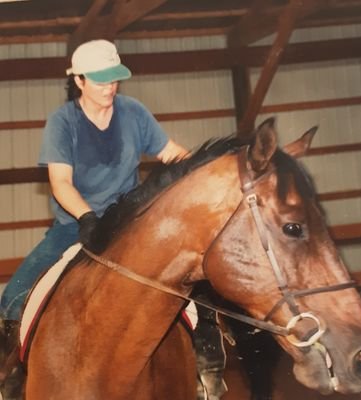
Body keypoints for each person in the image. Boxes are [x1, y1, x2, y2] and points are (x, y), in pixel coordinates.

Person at [0, 39, 225, 399]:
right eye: (101, 80)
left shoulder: (133, 112)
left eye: (114, 79)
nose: (110, 87)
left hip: (128, 224)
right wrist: (87, 217)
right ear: (80, 81)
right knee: (13, 296)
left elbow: (169, 152)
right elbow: (60, 183)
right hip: (75, 226)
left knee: (193, 284)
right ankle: (14, 376)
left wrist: (198, 169)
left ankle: (206, 367)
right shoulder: (63, 122)